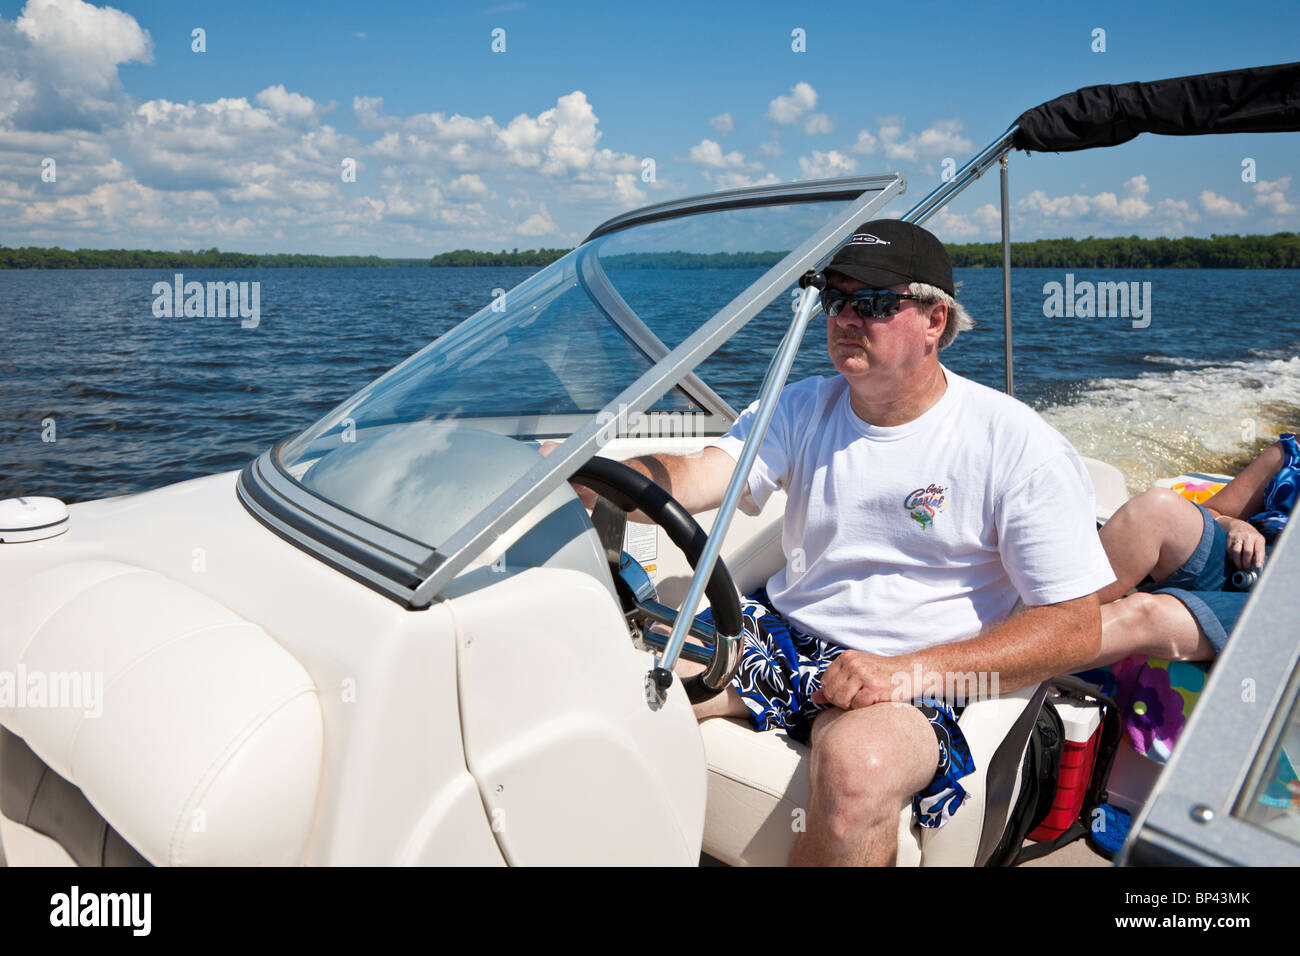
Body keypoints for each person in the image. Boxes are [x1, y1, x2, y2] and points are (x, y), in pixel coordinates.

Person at [568, 219, 1115, 866]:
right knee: (603, 686)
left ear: (935, 321)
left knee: (859, 769)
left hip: (919, 673)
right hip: (776, 638)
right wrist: (585, 473)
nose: (847, 317)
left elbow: (1077, 627)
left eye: (876, 302)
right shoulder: (800, 407)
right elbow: (695, 476)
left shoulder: (1015, 444)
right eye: (836, 300)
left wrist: (907, 672)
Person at [1089, 433, 1299, 666]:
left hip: (1285, 610)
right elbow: (1216, 512)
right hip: (1248, 562)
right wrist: (1236, 524)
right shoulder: (1290, 452)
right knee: (1156, 509)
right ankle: (1055, 613)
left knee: (1143, 613)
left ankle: (1048, 649)